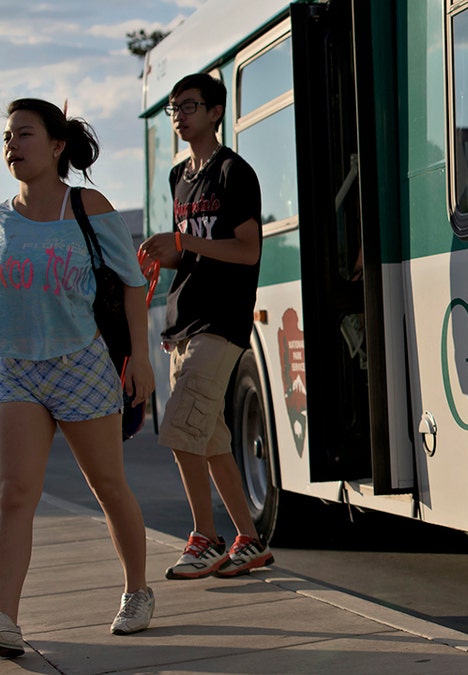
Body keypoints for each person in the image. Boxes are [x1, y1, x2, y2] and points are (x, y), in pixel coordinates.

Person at [0, 98, 156, 657]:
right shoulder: (1, 220)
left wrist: (140, 357)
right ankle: (6, 619)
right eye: (7, 137)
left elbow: (133, 282)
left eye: (24, 134)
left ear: (57, 145)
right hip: (15, 371)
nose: (12, 145)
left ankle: (137, 591)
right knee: (15, 493)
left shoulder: (86, 206)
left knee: (108, 487)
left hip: (82, 366)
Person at [139, 74, 273, 580]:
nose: (179, 115)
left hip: (221, 322)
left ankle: (205, 538)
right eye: (174, 108)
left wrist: (186, 244)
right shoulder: (180, 176)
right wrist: (166, 255)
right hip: (184, 324)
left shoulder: (234, 173)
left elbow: (247, 250)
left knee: (179, 429)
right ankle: (249, 541)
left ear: (216, 112)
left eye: (189, 106)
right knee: (210, 440)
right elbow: (194, 250)